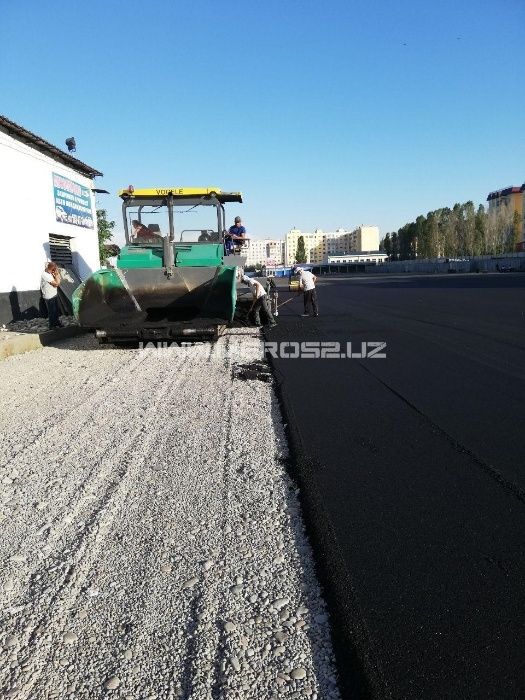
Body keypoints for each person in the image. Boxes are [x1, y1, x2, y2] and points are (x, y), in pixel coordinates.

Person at [40, 262, 63, 329]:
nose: (55, 271)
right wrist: (56, 275)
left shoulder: (50, 273)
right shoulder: (45, 275)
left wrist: (56, 275)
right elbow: (56, 284)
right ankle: (52, 325)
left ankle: (57, 323)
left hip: (54, 294)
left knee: (55, 310)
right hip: (49, 296)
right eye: (54, 269)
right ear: (51, 269)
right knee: (51, 311)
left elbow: (58, 282)